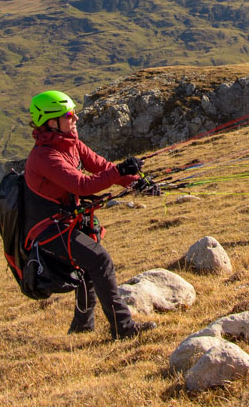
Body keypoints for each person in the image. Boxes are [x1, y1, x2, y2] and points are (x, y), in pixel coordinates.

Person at [23, 89, 156, 339]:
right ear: (52, 121)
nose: (75, 119)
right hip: (49, 230)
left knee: (88, 267)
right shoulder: (45, 156)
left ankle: (82, 327)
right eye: (70, 115)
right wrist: (118, 172)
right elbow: (82, 186)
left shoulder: (71, 144)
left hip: (67, 221)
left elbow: (102, 167)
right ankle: (124, 330)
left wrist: (136, 181)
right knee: (99, 260)